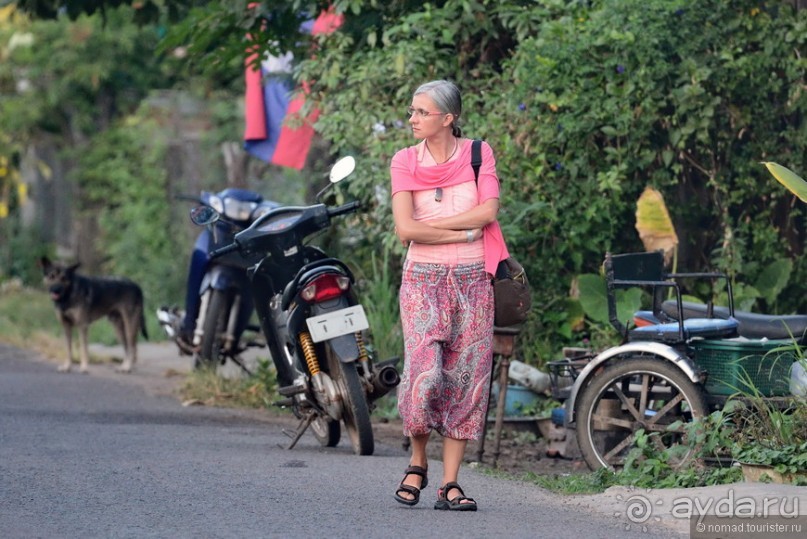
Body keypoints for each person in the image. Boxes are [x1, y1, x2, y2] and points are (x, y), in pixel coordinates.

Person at [390, 79, 509, 511]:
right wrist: (461, 229)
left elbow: (489, 212)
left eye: (421, 112)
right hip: (422, 279)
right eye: (412, 110)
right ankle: (417, 461)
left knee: (467, 378)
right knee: (424, 373)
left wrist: (435, 229)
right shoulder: (404, 161)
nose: (413, 119)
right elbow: (406, 229)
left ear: (448, 118)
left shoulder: (479, 153)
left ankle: (450, 484)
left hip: (475, 278)